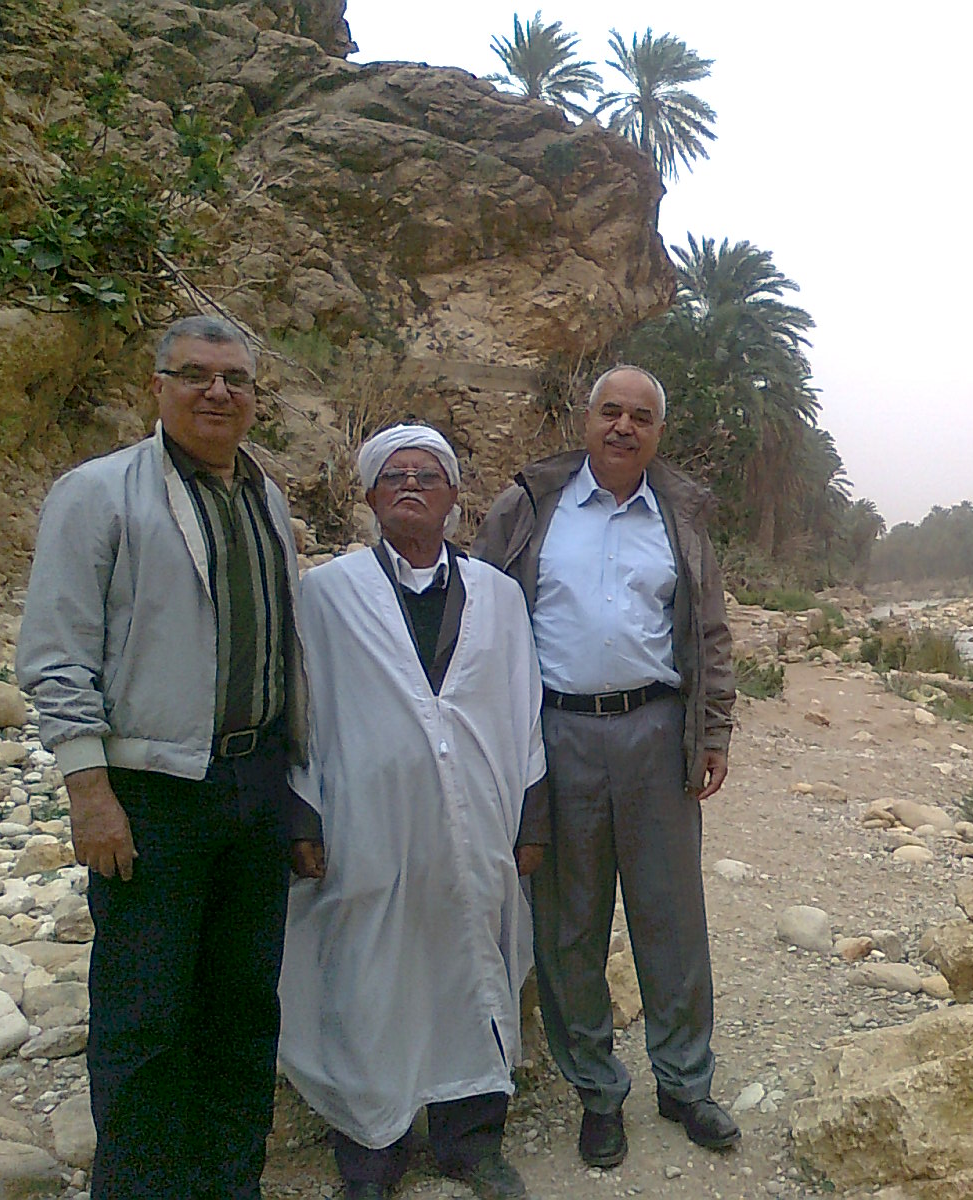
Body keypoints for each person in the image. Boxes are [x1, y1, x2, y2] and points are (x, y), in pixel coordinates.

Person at [16, 315, 308, 1199]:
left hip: (256, 782)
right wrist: (89, 790)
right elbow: (57, 653)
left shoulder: (265, 497)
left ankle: (230, 1183)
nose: (217, 391)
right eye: (195, 374)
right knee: (143, 1014)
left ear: (254, 396)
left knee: (243, 1007)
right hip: (151, 792)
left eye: (235, 378)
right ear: (157, 386)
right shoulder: (98, 493)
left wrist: (298, 791)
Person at [473, 364, 738, 1169]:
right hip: (556, 736)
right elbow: (480, 609)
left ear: (658, 432)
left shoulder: (680, 515)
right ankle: (597, 1092)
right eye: (611, 412)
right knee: (568, 923)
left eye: (642, 417)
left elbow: (710, 631)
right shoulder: (530, 506)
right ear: (586, 420)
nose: (625, 427)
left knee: (671, 919)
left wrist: (714, 728)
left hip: (656, 731)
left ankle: (685, 1084)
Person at [279, 425, 548, 1200]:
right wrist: (302, 816)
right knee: (369, 977)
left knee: (475, 965)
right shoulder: (327, 594)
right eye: (393, 474)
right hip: (367, 824)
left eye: (427, 475)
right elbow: (300, 709)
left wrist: (533, 818)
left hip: (477, 826)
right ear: (369, 494)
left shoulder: (498, 595)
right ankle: (373, 1149)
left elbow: (524, 709)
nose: (410, 486)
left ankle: (471, 1142)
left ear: (453, 495)